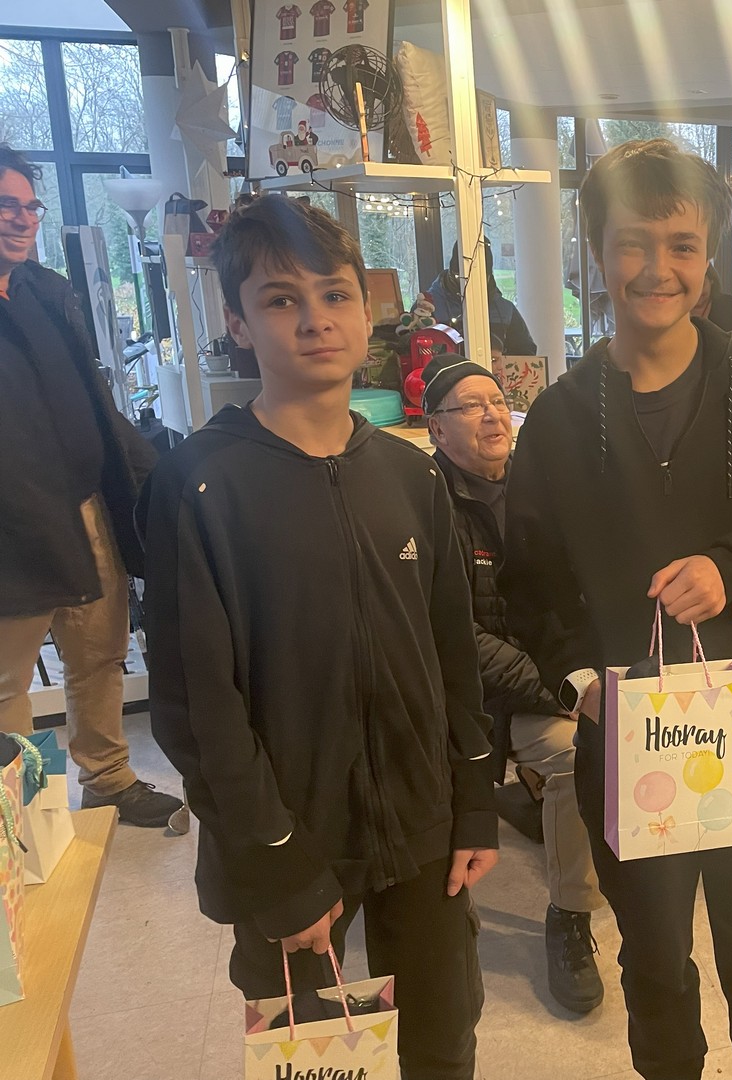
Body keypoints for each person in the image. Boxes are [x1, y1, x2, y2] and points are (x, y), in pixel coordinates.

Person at [501, 139, 732, 1080]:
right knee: (654, 966)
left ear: (710, 254)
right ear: (597, 254)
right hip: (626, 742)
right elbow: (529, 582)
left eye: (682, 244)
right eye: (634, 244)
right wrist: (580, 682)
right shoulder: (559, 417)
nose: (659, 268)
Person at [139, 194, 497, 1079]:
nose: (315, 321)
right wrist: (275, 863)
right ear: (237, 323)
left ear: (366, 311)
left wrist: (473, 800)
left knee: (443, 1042)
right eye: (280, 300)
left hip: (421, 824)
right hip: (289, 838)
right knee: (312, 1058)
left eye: (335, 295)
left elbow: (454, 655)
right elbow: (195, 708)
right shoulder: (199, 486)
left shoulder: (411, 476)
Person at [0, 143, 182, 829]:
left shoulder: (46, 293)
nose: (21, 219)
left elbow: (96, 401)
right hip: (12, 529)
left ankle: (107, 778)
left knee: (99, 652)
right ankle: (21, 820)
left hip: (85, 508)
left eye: (29, 207)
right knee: (7, 683)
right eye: (5, 206)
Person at [422, 351, 608, 1012]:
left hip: (551, 676)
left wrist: (589, 669)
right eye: (470, 406)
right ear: (436, 429)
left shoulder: (542, 488)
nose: (492, 416)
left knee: (619, 736)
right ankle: (570, 918)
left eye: (498, 402)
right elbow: (455, 640)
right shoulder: (424, 504)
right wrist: (565, 688)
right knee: (578, 752)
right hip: (472, 701)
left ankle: (571, 883)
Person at [426, 238, 538, 358]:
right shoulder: (428, 307)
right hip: (445, 370)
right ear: (452, 273)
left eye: (480, 277)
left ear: (488, 276)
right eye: (461, 277)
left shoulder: (505, 310)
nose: (470, 283)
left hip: (492, 370)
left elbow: (525, 356)